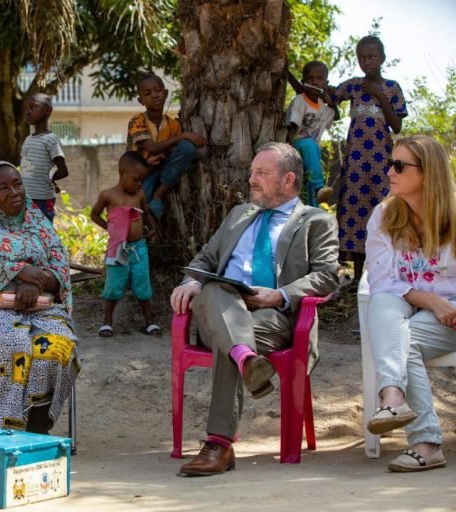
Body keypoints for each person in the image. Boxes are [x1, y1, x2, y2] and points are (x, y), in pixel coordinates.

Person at [169, 142, 339, 476]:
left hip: (271, 318)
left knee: (230, 340)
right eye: (252, 172)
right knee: (213, 288)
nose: (252, 179)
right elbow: (205, 260)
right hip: (218, 306)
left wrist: (279, 295)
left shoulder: (316, 220)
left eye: (262, 173)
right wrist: (190, 281)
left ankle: (219, 442)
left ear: (288, 179)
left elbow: (328, 275)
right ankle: (246, 362)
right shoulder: (239, 215)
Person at [0, 161, 79, 433]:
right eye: (4, 188)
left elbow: (59, 267)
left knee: (56, 345)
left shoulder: (38, 222)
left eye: (18, 184)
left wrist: (37, 282)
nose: (14, 192)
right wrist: (19, 271)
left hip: (42, 307)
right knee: (12, 344)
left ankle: (37, 428)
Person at [363, 135, 456, 472]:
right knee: (383, 301)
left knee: (404, 342)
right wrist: (431, 300)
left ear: (427, 173)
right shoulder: (385, 215)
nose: (390, 171)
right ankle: (393, 396)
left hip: (455, 315)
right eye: (390, 163)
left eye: (399, 165)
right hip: (413, 305)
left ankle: (425, 442)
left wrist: (448, 307)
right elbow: (382, 280)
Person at [330, 35, 408, 283]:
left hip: (380, 161)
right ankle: (356, 278)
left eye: (371, 57)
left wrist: (380, 96)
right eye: (362, 58)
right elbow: (329, 96)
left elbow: (396, 125)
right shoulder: (353, 86)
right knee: (354, 210)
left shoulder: (392, 88)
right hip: (355, 162)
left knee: (382, 208)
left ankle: (383, 273)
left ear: (382, 58)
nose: (366, 62)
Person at [90, 151, 158, 337]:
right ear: (122, 173)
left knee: (142, 282)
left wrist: (152, 228)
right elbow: (94, 214)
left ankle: (149, 321)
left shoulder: (140, 195)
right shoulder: (108, 195)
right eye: (136, 179)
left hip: (139, 248)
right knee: (113, 284)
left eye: (142, 180)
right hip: (117, 248)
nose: (139, 184)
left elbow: (146, 213)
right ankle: (107, 322)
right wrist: (110, 229)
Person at [126, 73, 207, 218]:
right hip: (141, 176)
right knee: (140, 207)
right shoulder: (137, 121)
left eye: (157, 90)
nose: (154, 95)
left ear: (165, 93)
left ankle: (159, 195)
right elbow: (152, 148)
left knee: (187, 147)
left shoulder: (173, 125)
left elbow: (175, 153)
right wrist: (184, 135)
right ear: (141, 101)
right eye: (148, 93)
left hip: (162, 170)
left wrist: (182, 141)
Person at [285, 60, 338, 207]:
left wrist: (331, 101)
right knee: (308, 144)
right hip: (297, 145)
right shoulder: (299, 101)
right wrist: (288, 147)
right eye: (310, 78)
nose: (315, 82)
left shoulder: (323, 107)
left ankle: (313, 207)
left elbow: (336, 116)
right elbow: (293, 126)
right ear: (304, 82)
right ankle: (319, 186)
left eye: (320, 79)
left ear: (326, 84)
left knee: (308, 187)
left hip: (313, 151)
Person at [20, 93, 69, 222]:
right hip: (26, 198)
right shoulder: (28, 139)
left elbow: (63, 171)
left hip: (42, 199)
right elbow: (30, 168)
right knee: (28, 231)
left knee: (43, 231)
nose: (27, 112)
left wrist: (48, 179)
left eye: (33, 107)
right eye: (25, 109)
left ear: (48, 110)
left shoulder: (51, 139)